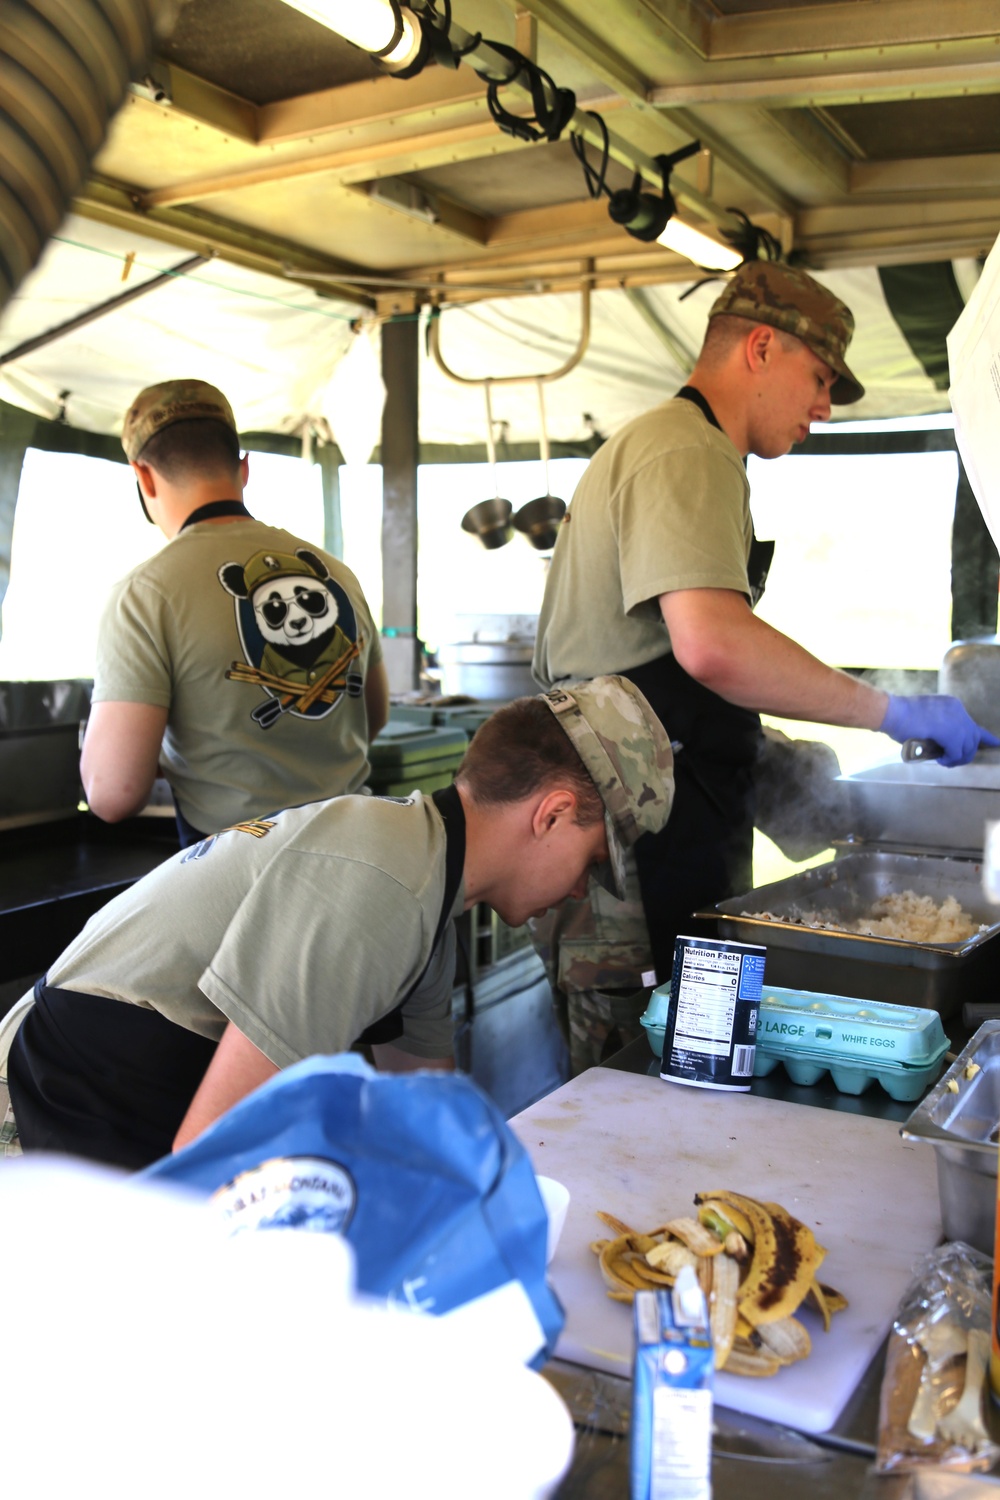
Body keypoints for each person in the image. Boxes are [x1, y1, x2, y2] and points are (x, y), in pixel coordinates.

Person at [532, 260, 999, 1072]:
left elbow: (681, 675)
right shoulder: (686, 450)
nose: (823, 406)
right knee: (632, 1079)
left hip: (662, 821)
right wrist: (891, 712)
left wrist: (795, 773)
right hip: (626, 847)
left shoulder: (688, 451)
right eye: (819, 377)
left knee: (683, 1068)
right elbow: (713, 644)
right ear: (759, 348)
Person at [5, 676, 674, 1170]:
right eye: (591, 861)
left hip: (140, 1103)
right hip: (54, 1104)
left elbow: (427, 1111)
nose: (584, 887)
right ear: (552, 814)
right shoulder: (381, 885)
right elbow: (212, 1157)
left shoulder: (427, 877)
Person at [81, 378, 388, 847]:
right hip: (361, 848)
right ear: (244, 469)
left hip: (241, 875)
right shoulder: (335, 574)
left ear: (143, 477)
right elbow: (374, 714)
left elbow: (112, 793)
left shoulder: (145, 595)